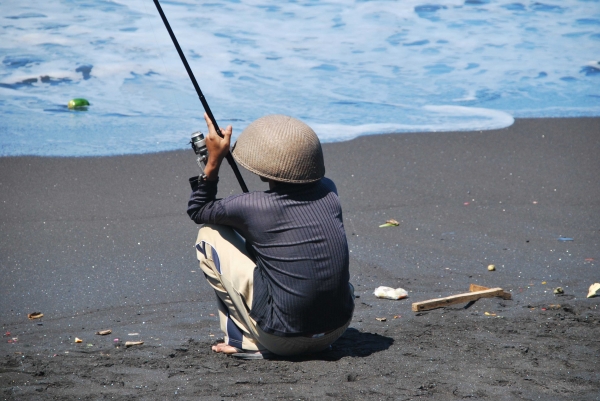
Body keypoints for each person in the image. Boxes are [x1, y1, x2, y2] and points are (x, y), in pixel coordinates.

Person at [187, 113, 354, 359]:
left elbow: (199, 210)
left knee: (208, 235)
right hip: (337, 329)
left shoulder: (254, 206)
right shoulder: (329, 191)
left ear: (264, 171)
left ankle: (243, 339)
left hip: (284, 341)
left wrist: (213, 161)